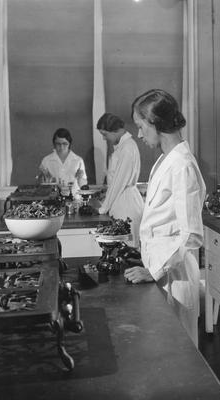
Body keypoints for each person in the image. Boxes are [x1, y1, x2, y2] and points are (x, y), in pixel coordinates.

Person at [123, 89, 206, 346]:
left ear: (155, 123)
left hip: (174, 278)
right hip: (159, 271)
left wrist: (153, 271)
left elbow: (191, 235)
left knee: (178, 356)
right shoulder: (165, 160)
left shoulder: (183, 166)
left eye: (140, 126)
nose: (138, 134)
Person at [90, 113, 144, 248]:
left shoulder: (127, 148)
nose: (103, 138)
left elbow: (118, 183)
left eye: (105, 134)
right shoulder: (122, 146)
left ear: (116, 131)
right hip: (122, 201)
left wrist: (103, 208)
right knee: (120, 250)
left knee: (128, 249)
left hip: (127, 204)